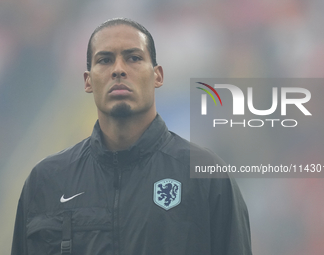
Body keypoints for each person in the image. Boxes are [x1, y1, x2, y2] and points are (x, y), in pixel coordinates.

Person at [11, 18, 252, 255]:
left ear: (157, 75)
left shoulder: (206, 175)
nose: (118, 69)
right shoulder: (46, 181)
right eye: (105, 60)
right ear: (87, 81)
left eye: (133, 58)